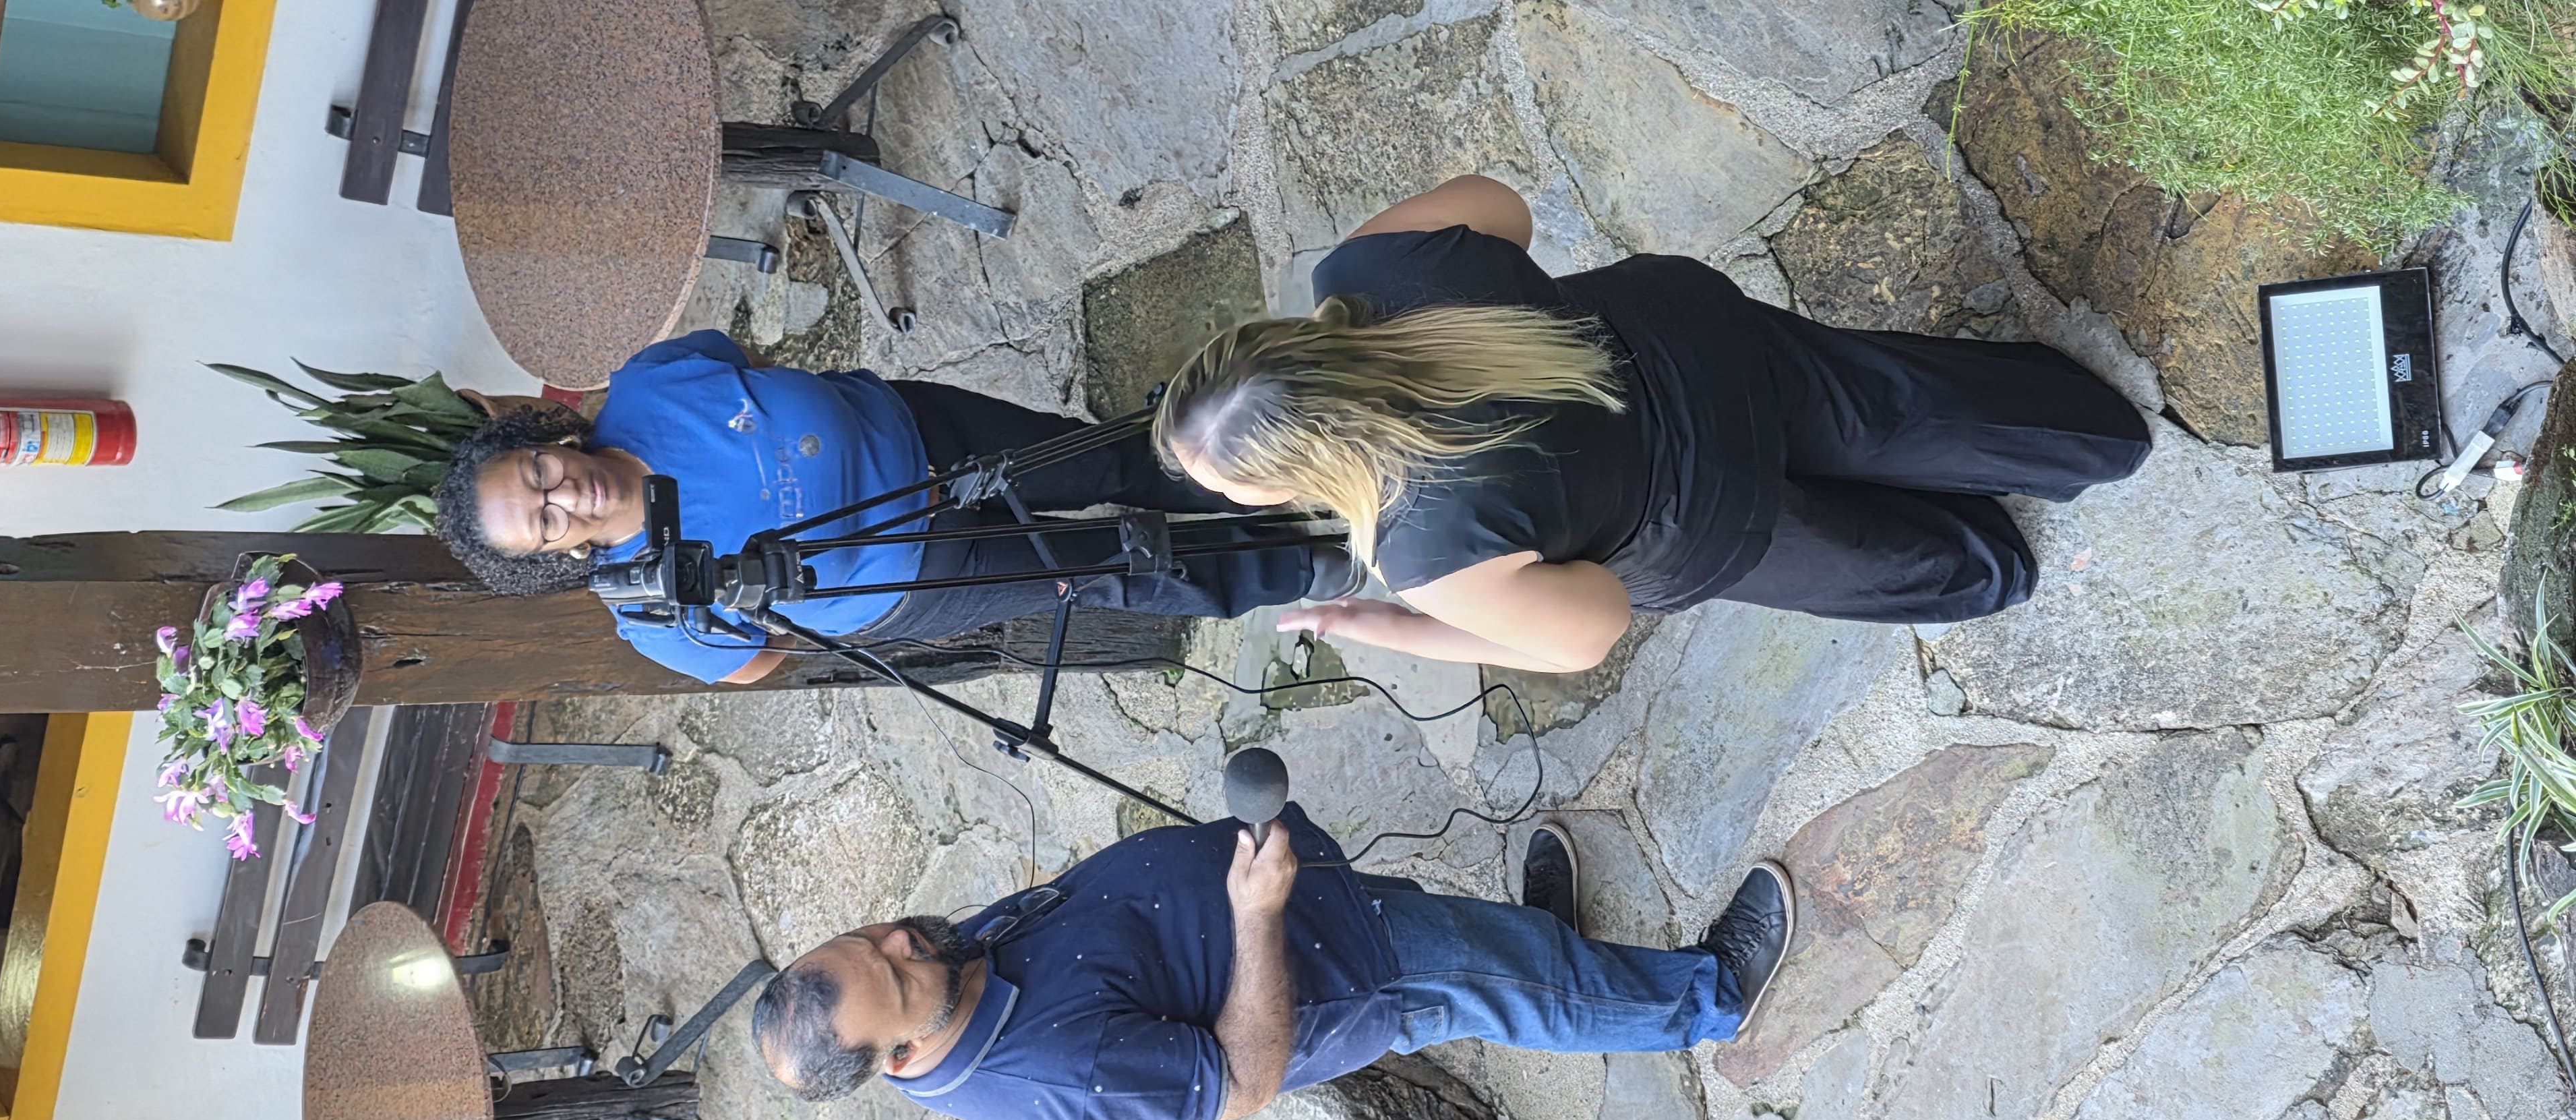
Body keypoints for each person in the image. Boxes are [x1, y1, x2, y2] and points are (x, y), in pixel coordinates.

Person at [1151, 175, 2153, 674]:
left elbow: (1590, 625)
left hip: (1701, 514)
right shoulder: (1372, 266)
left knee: (1873, 561)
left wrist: (1391, 626)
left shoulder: (1425, 550)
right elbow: (1503, 211)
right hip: (1691, 344)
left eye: (1244, 486)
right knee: (1882, 399)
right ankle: (2091, 435)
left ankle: (1990, 566)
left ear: (1312, 467)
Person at [750, 809, 1793, 1120]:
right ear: (899, 1059)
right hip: (1351, 973)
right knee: (1516, 984)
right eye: (898, 971)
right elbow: (1243, 1083)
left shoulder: (939, 968)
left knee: (1508, 954)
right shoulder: (1048, 1085)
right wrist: (1254, 915)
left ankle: (1543, 941)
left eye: (874, 937)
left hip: (1317, 910)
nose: (906, 940)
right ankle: (1709, 999)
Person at [433, 330, 1353, 684]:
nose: (564, 495)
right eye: (543, 521)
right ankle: (1303, 565)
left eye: (539, 472)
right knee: (1108, 565)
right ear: (554, 555)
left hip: (925, 428)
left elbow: (740, 356)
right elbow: (752, 663)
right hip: (917, 578)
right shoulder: (647, 608)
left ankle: (1286, 469)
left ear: (542, 438)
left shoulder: (645, 383)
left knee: (1105, 457)